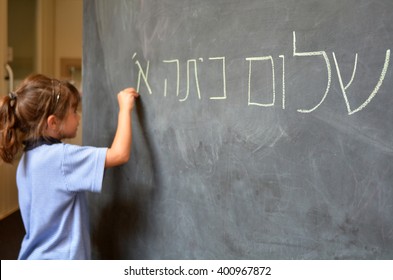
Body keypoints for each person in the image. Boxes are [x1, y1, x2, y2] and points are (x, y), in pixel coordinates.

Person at [0, 74, 139, 259]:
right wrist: (124, 109)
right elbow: (120, 154)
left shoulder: (29, 159)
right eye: (74, 111)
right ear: (53, 122)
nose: (78, 116)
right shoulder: (61, 158)